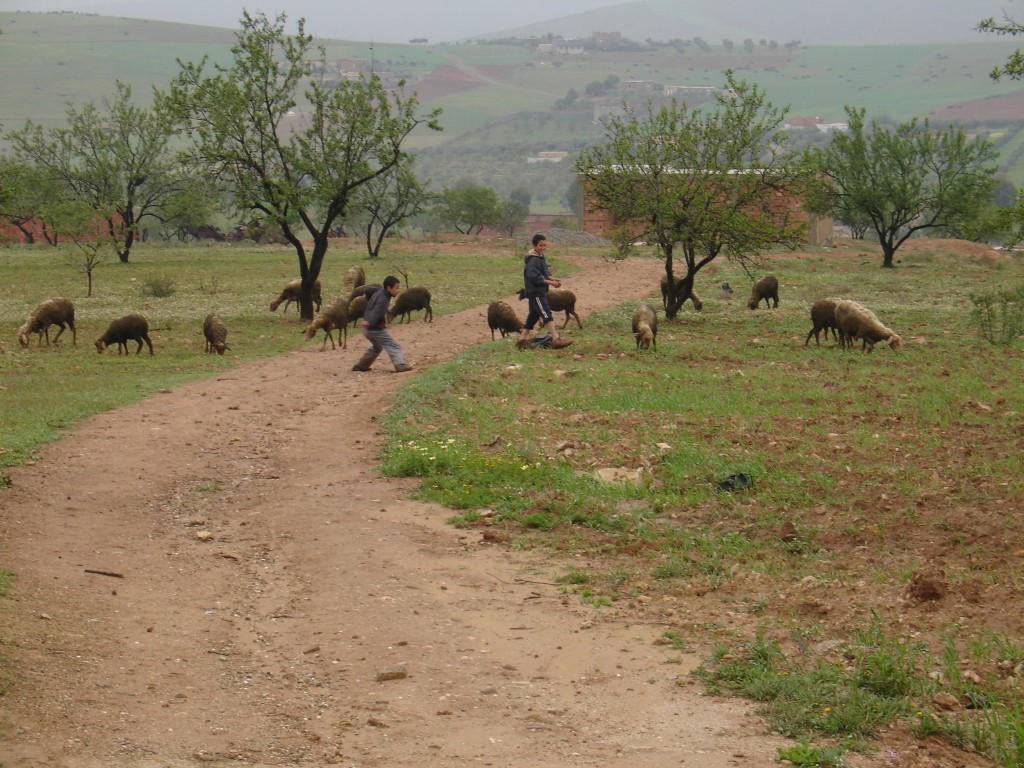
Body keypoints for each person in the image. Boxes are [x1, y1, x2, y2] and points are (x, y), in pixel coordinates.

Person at [516, 233, 572, 350]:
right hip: (536, 292)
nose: (543, 247)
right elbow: (535, 278)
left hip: (538, 292)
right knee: (546, 313)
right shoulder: (533, 260)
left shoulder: (539, 257)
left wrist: (552, 279)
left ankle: (521, 340)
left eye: (544, 245)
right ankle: (556, 339)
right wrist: (551, 283)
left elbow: (542, 274)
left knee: (533, 316)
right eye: (540, 245)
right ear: (534, 246)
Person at [351, 276, 413, 373]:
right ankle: (399, 365)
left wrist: (369, 300)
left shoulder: (378, 291)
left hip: (366, 328)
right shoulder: (383, 300)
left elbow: (368, 290)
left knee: (377, 347)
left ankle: (361, 366)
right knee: (393, 345)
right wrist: (369, 321)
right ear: (389, 288)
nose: (398, 290)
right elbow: (377, 311)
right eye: (396, 288)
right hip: (374, 328)